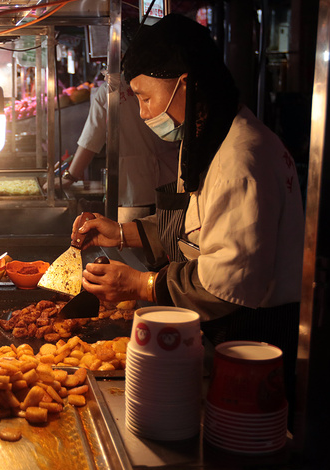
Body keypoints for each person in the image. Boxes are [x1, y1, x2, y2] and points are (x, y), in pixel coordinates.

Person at [73, 14, 304, 400]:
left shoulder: (241, 160)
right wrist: (123, 233)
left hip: (250, 338)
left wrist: (140, 284)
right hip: (215, 330)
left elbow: (227, 283)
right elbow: (194, 225)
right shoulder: (205, 139)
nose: (145, 113)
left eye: (146, 98)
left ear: (186, 84)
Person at [53, 76, 179, 222]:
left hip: (135, 187)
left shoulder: (110, 89)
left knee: (130, 236)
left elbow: (91, 139)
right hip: (171, 180)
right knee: (166, 233)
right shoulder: (163, 81)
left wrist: (70, 177)